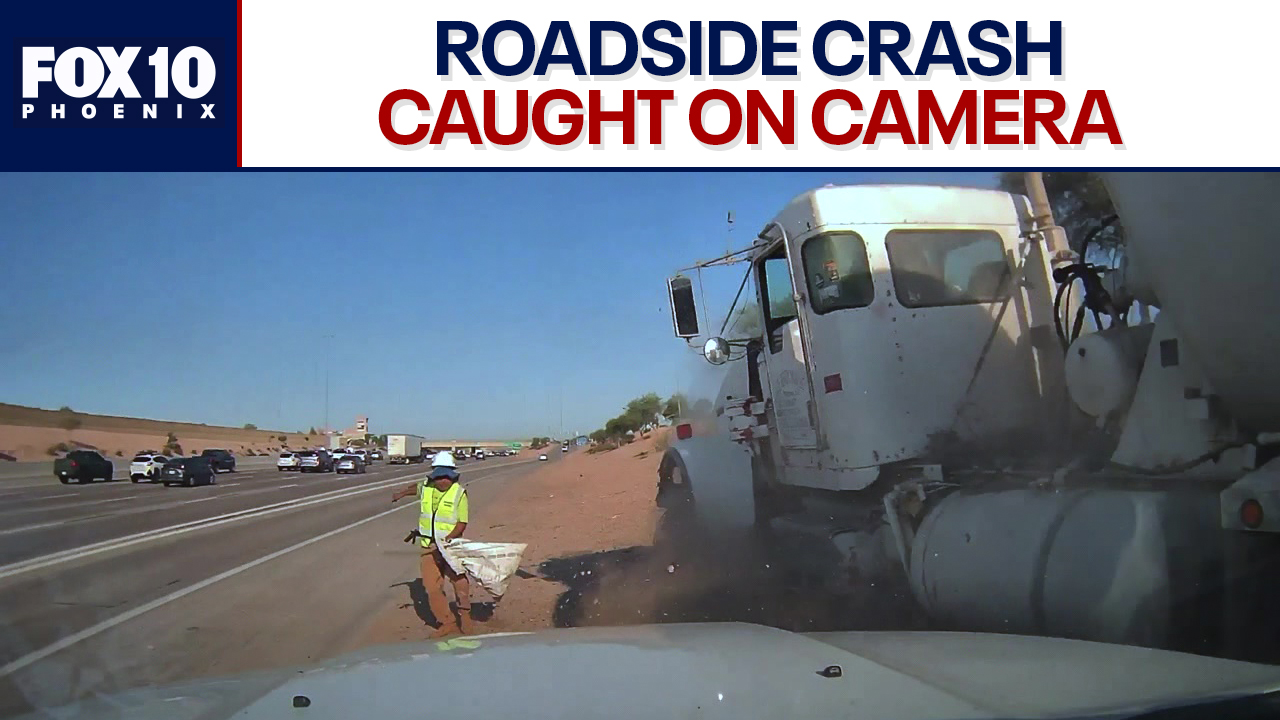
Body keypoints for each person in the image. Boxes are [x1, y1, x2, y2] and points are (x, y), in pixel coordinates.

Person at [391, 451, 472, 637]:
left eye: (447, 477)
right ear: (433, 476)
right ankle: (447, 622)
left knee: (459, 582)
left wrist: (449, 538)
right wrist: (401, 493)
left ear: (453, 476)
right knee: (432, 587)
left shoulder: (459, 493)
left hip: (451, 547)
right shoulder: (427, 487)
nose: (443, 481)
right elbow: (416, 488)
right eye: (439, 477)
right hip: (429, 546)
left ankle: (465, 616)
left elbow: (462, 522)